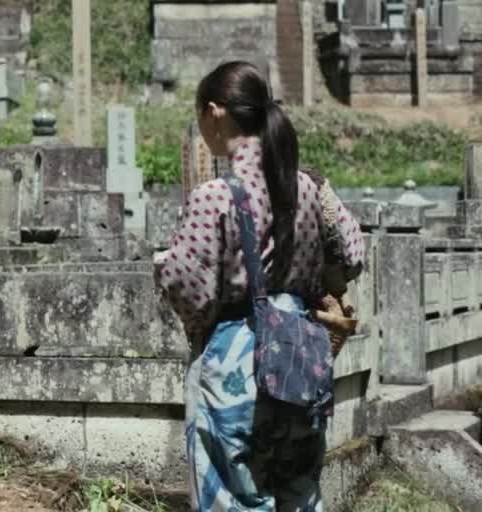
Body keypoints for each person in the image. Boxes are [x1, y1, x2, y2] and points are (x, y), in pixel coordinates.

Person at [153, 61, 365, 511]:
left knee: (236, 498)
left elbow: (188, 290)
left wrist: (165, 267)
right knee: (300, 493)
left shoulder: (214, 196)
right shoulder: (306, 187)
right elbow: (351, 252)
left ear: (215, 112)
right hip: (301, 358)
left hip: (237, 359)